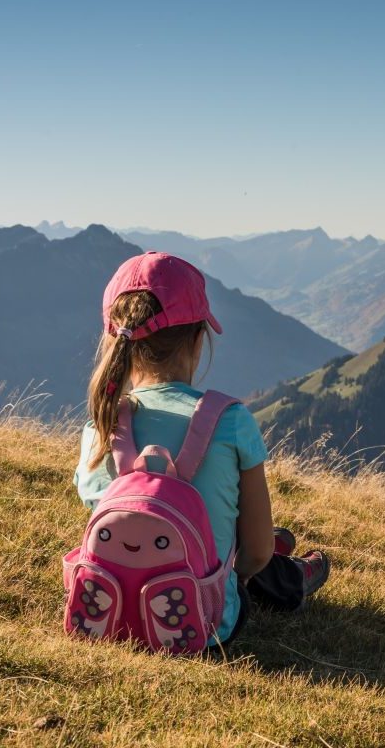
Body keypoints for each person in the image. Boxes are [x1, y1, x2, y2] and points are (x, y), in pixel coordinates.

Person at [73, 251, 330, 646]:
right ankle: (291, 576)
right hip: (207, 626)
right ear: (197, 340)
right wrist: (235, 571)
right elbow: (256, 556)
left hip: (105, 618)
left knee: (222, 531)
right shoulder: (230, 420)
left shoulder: (102, 424)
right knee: (247, 543)